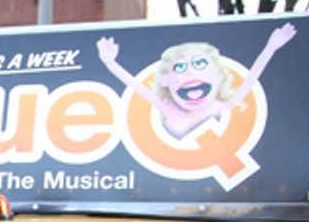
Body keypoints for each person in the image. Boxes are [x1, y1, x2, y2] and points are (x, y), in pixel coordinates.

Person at [96, 23, 295, 139]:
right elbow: (134, 86)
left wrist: (271, 47)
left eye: (199, 64)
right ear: (166, 80)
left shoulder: (217, 107)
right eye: (180, 67)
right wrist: (109, 62)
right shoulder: (169, 108)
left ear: (218, 76)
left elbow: (248, 83)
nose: (190, 74)